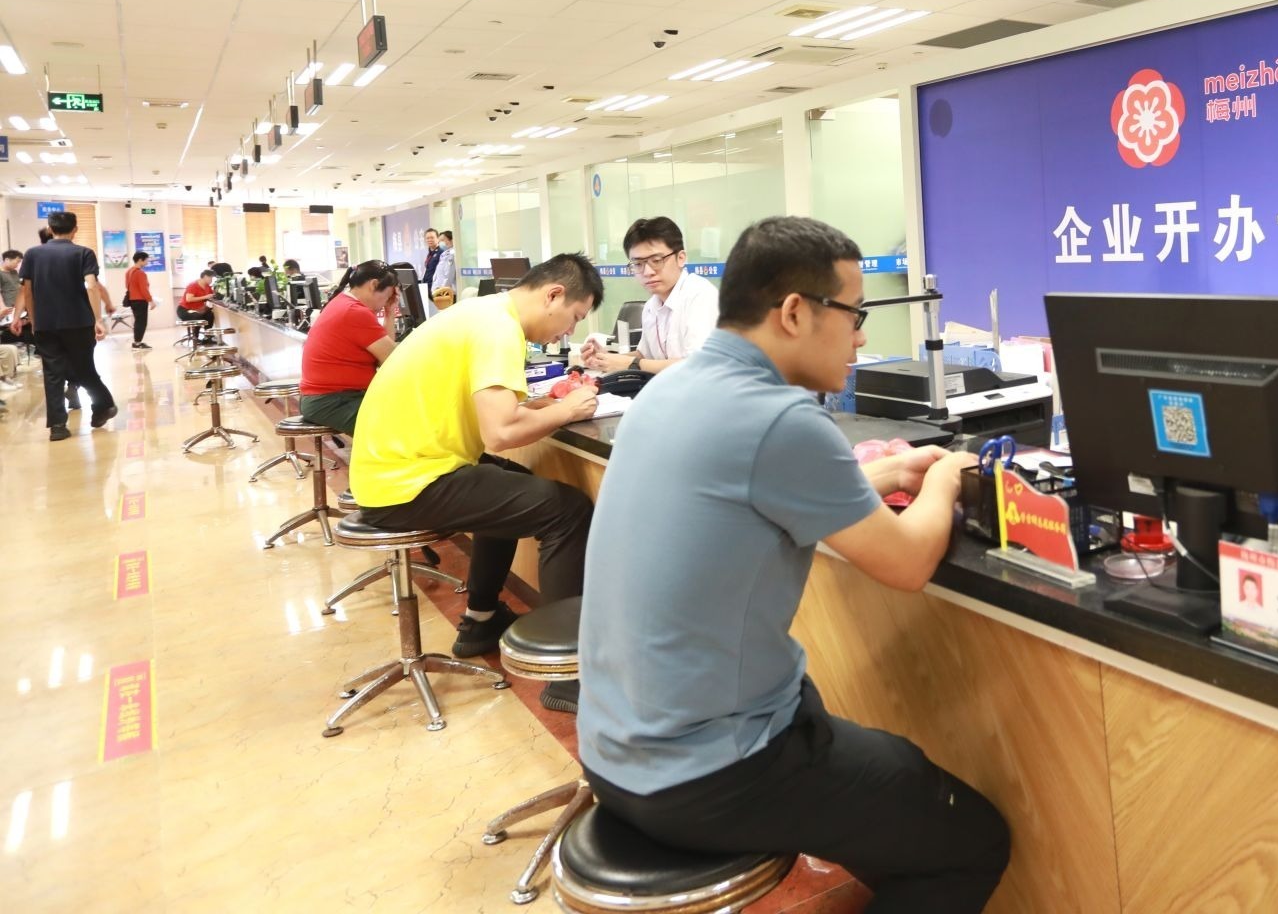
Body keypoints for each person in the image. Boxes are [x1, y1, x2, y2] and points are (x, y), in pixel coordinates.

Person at [578, 217, 1009, 911]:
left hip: (614, 748)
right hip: (710, 771)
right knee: (972, 838)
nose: (861, 337)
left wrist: (889, 470)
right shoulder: (779, 418)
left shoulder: (673, 389)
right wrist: (944, 479)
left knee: (891, 777)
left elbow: (759, 489)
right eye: (854, 314)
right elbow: (906, 562)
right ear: (794, 313)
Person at [347, 253, 602, 709]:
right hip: (406, 483)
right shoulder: (499, 328)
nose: (569, 332)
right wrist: (567, 409)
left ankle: (480, 619)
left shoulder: (482, 314)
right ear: (553, 295)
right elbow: (500, 433)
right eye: (575, 318)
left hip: (390, 473)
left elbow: (487, 410)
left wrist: (541, 408)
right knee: (568, 511)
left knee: (509, 485)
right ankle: (567, 677)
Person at [16, 210, 117, 441]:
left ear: (50, 229)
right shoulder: (83, 253)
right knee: (84, 369)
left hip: (46, 323)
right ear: (75, 229)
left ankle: (58, 426)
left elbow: (27, 291)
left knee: (52, 374)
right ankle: (103, 405)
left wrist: (34, 320)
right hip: (79, 322)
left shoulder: (32, 254)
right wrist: (97, 319)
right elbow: (91, 286)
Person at [579, 217, 717, 376]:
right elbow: (645, 356)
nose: (647, 272)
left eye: (656, 261)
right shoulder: (652, 306)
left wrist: (629, 364)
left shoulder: (700, 296)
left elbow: (697, 366)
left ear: (681, 258)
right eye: (638, 264)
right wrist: (605, 359)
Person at [298, 260, 400, 434]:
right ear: (373, 285)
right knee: (403, 424)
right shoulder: (355, 312)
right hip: (333, 401)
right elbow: (392, 361)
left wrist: (390, 313)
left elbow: (385, 357)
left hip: (327, 399)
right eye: (388, 296)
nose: (386, 302)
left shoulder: (342, 302)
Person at [125, 251, 154, 350]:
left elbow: (127, 286)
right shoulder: (140, 273)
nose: (147, 262)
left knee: (138, 321)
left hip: (132, 300)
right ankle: (137, 343)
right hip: (140, 300)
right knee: (141, 322)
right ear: (140, 260)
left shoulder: (129, 272)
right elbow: (144, 289)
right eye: (146, 260)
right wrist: (151, 301)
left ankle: (137, 342)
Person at [429, 230, 456, 306]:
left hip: (447, 293)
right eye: (440, 241)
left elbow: (449, 275)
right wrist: (434, 288)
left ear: (451, 240)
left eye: (443, 240)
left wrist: (443, 290)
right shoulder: (444, 254)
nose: (441, 243)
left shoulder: (452, 254)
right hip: (440, 291)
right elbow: (438, 273)